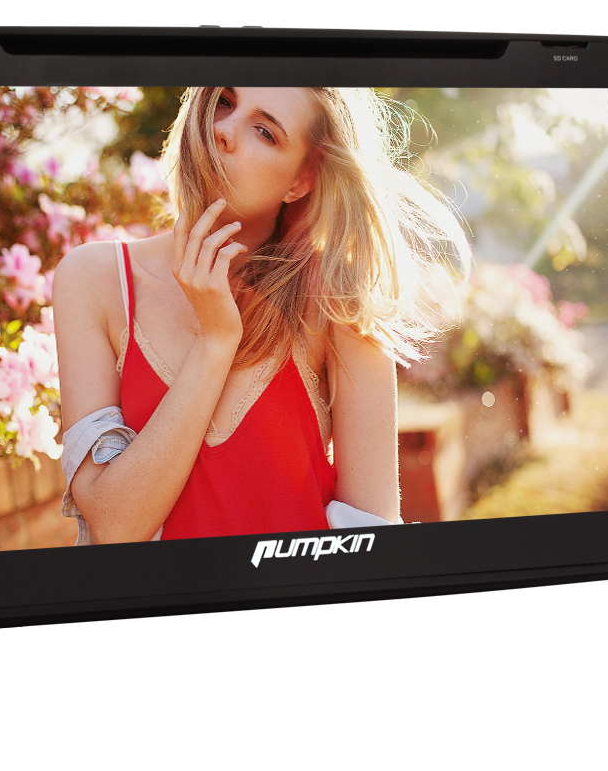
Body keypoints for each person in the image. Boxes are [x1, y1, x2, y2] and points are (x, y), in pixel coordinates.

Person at [52, 86, 469, 544]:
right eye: (224, 102)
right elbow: (114, 527)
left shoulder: (336, 301)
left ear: (301, 180)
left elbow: (368, 541)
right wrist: (215, 342)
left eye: (265, 132)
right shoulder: (94, 279)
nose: (223, 130)